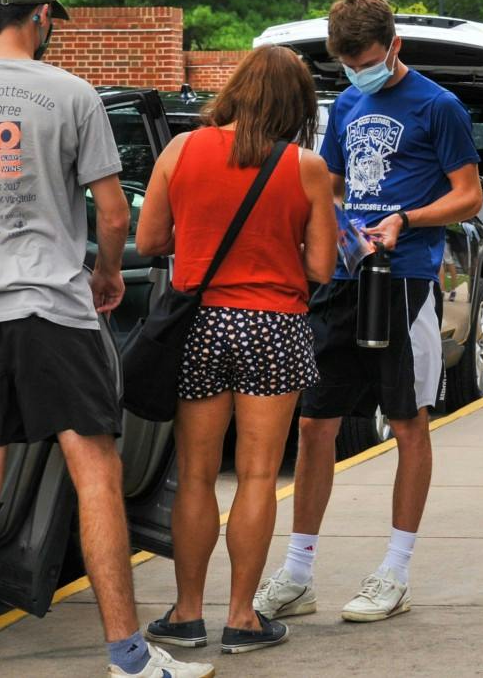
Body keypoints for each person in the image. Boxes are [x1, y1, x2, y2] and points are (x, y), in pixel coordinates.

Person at [0, 0, 213, 678]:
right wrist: (104, 272)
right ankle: (129, 658)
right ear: (41, 17)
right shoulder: (73, 95)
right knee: (95, 467)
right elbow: (111, 209)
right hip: (55, 308)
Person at [253, 0, 483, 625]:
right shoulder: (349, 103)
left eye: (366, 59)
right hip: (345, 278)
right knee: (314, 423)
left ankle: (396, 571)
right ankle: (299, 572)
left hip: (404, 282)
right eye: (347, 63)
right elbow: (328, 179)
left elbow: (468, 194)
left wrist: (405, 219)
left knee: (408, 422)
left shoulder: (440, 107)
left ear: (394, 46)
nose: (357, 72)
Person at [135, 48, 338, 656]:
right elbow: (322, 267)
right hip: (273, 326)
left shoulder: (180, 151)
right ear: (295, 106)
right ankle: (243, 617)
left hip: (199, 324)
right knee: (255, 475)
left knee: (196, 474)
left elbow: (149, 240)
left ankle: (188, 613)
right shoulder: (306, 167)